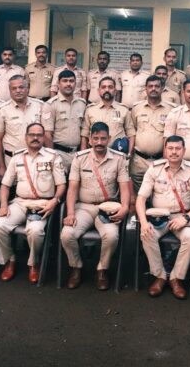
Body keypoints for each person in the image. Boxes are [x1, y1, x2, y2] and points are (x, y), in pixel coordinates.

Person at [0, 123, 65, 283]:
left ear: (43, 137)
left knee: (35, 231)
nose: (35, 138)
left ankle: (33, 263)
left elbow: (61, 185)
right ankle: (10, 260)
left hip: (43, 203)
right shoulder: (17, 157)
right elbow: (5, 186)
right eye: (32, 135)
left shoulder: (53, 157)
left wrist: (55, 200)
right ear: (26, 137)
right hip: (20, 202)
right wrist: (3, 205)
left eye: (39, 135)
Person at [62, 122, 131, 290]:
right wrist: (70, 213)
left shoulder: (119, 159)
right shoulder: (80, 158)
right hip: (84, 207)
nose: (99, 142)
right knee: (67, 234)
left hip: (107, 209)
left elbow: (124, 188)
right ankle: (76, 267)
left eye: (103, 138)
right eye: (96, 138)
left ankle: (102, 269)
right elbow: (72, 188)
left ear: (109, 139)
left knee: (111, 236)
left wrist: (124, 208)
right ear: (90, 139)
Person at [136, 137, 190, 299]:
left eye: (178, 148)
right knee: (147, 234)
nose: (174, 152)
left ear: (184, 150)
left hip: (182, 216)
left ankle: (176, 278)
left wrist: (186, 218)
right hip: (158, 217)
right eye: (170, 148)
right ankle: (160, 276)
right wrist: (144, 222)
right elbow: (141, 199)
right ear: (165, 150)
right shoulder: (154, 169)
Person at [0, 75, 51, 179]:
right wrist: (1, 165)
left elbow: (47, 134)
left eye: (21, 87)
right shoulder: (2, 110)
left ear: (27, 88)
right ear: (10, 91)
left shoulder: (40, 106)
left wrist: (50, 158)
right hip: (12, 160)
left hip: (37, 158)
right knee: (13, 187)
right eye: (14, 88)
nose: (18, 91)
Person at [129, 76, 173, 195]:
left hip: (160, 160)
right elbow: (132, 131)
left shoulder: (171, 110)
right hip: (139, 161)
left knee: (159, 195)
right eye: (150, 86)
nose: (153, 89)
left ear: (162, 88)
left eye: (157, 86)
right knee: (140, 195)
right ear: (146, 89)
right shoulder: (137, 108)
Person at [47, 69, 87, 172]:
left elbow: (84, 131)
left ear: (75, 84)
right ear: (58, 84)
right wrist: (51, 156)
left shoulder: (82, 104)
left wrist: (82, 154)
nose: (68, 84)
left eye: (71, 81)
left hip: (77, 154)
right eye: (65, 81)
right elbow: (47, 134)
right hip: (58, 154)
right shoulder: (51, 105)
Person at [81, 76, 134, 153]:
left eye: (110, 87)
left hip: (117, 155)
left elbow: (131, 134)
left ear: (115, 91)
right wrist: (83, 155)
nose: (107, 90)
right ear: (99, 91)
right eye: (103, 87)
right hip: (95, 154)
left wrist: (129, 154)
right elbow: (84, 135)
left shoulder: (123, 110)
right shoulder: (90, 110)